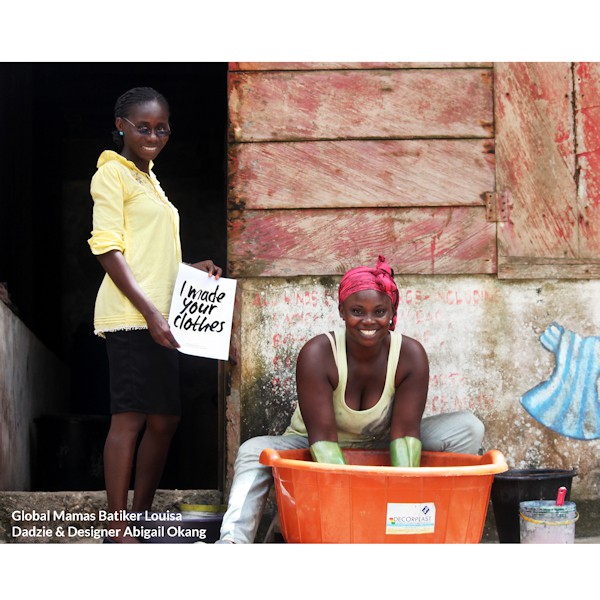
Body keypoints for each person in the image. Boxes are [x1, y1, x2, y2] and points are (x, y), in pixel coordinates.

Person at [217, 255, 484, 543]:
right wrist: (354, 512)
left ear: (392, 313)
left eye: (379, 311)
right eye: (357, 311)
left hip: (383, 443)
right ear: (342, 311)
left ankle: (440, 529)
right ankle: (233, 541)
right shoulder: (319, 353)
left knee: (468, 427)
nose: (368, 321)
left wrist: (399, 506)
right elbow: (323, 443)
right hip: (312, 444)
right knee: (252, 450)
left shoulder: (410, 355)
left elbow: (405, 435)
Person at [88, 87, 222, 543]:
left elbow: (150, 254)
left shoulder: (151, 181)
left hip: (163, 317)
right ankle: (118, 528)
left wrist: (190, 268)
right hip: (131, 315)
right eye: (143, 127)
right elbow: (108, 248)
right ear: (121, 125)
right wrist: (148, 311)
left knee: (165, 420)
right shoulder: (112, 176)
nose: (154, 134)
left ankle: (140, 519)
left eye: (161, 127)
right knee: (129, 419)